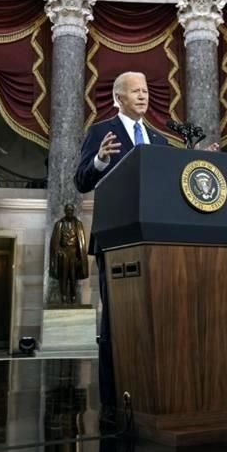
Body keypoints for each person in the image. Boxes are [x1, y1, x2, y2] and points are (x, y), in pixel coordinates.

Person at [74, 71, 168, 424]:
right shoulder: (100, 132)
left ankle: (154, 389)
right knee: (116, 321)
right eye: (135, 91)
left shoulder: (159, 139)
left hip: (156, 241)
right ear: (118, 98)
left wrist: (197, 159)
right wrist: (99, 160)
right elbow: (81, 180)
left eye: (146, 90)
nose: (143, 96)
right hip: (116, 239)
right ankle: (113, 402)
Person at [49, 204, 89, 304]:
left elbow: (82, 242)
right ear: (65, 211)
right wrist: (59, 251)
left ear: (73, 211)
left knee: (73, 275)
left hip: (74, 253)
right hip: (63, 253)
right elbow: (54, 242)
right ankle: (63, 295)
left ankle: (73, 295)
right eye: (68, 210)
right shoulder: (59, 224)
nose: (69, 212)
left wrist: (80, 257)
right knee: (63, 275)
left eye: (71, 210)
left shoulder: (78, 224)